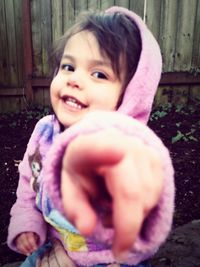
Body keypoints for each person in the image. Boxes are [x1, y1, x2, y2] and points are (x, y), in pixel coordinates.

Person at [7, 6, 174, 267]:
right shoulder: (44, 133)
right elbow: (29, 184)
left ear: (129, 95)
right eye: (68, 66)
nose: (74, 80)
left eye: (99, 74)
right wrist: (27, 223)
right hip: (53, 247)